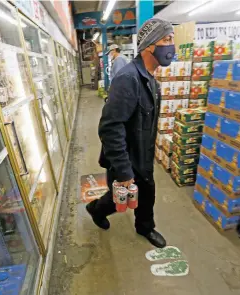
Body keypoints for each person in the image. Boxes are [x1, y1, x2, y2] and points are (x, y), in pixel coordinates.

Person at [86, 18, 175, 248]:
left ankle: (145, 227)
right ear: (150, 45)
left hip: (142, 156)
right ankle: (95, 209)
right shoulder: (128, 79)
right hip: (125, 158)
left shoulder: (151, 81)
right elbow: (110, 127)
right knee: (119, 200)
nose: (171, 46)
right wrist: (124, 171)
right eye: (167, 40)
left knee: (147, 194)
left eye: (171, 39)